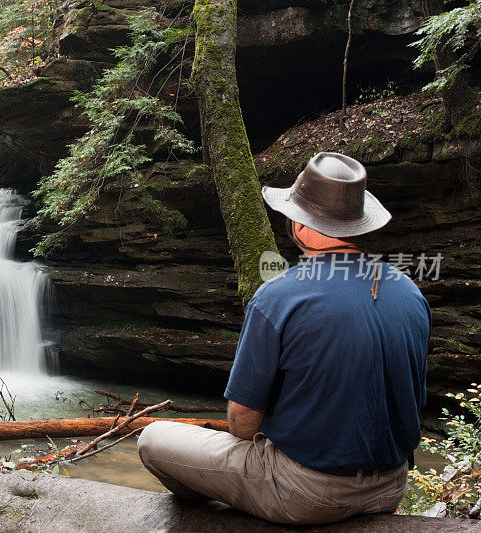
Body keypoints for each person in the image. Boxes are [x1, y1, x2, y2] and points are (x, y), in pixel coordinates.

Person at [137, 152, 430, 525]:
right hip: (390, 487)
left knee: (153, 438)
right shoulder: (409, 291)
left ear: (304, 228)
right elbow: (410, 400)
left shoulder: (281, 295)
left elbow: (242, 422)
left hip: (306, 493)